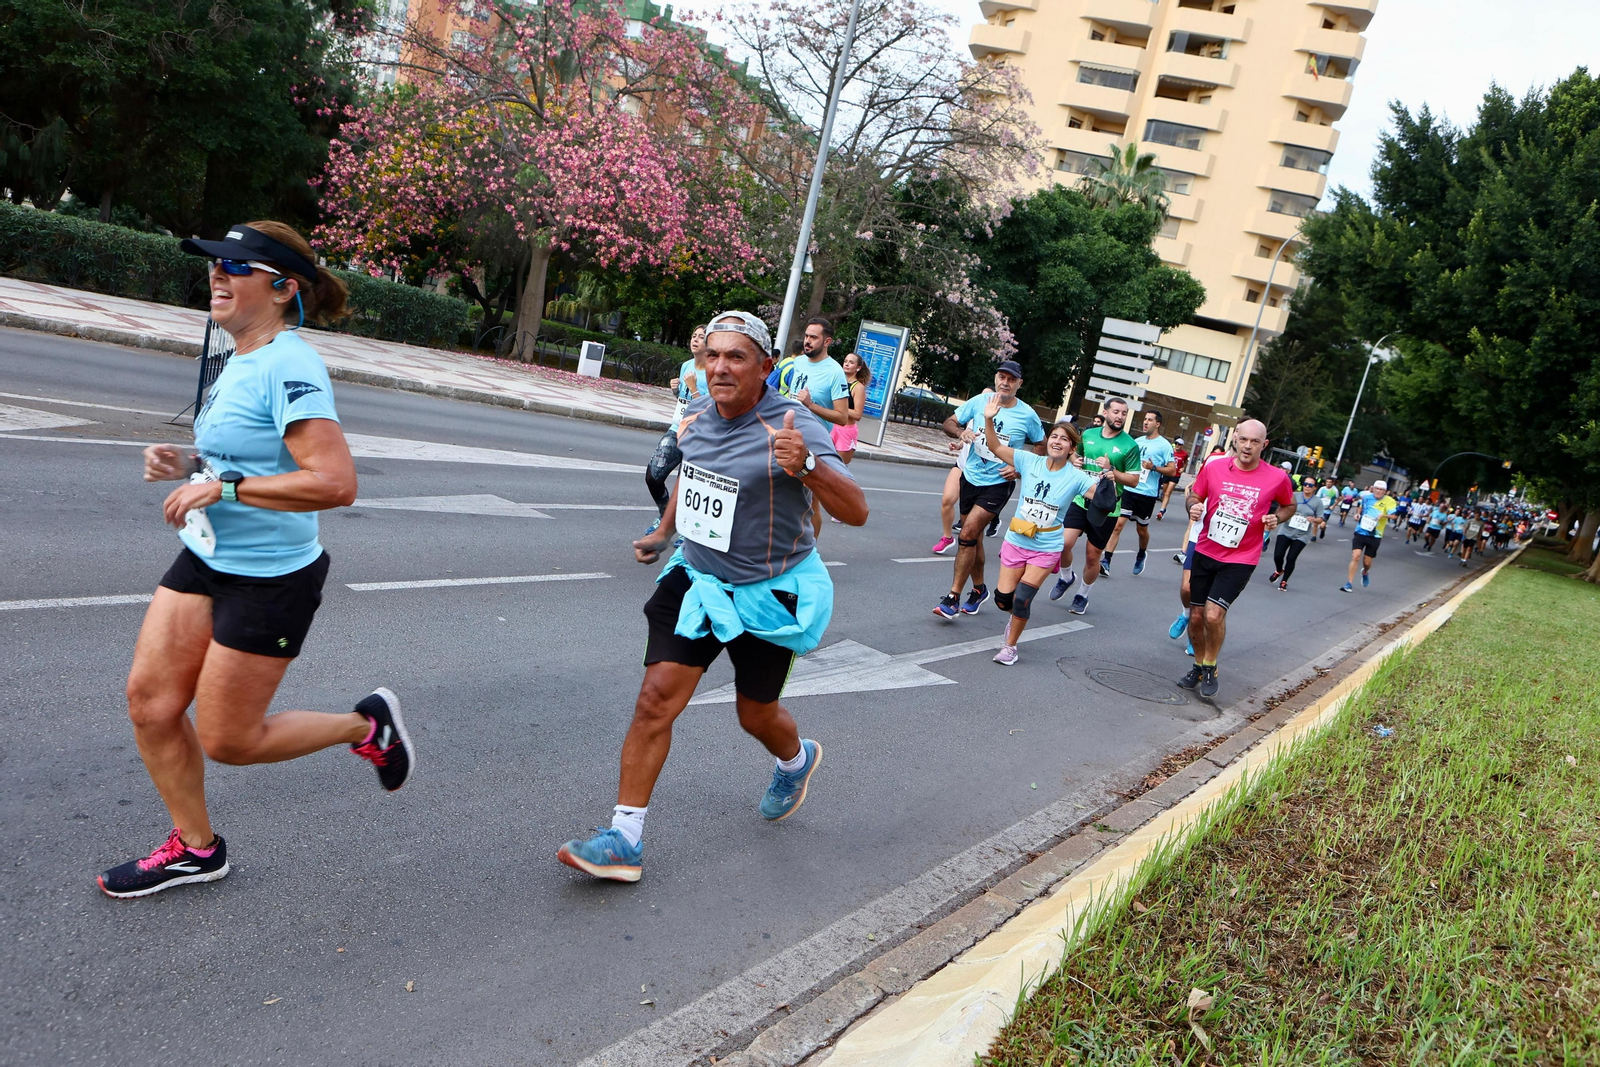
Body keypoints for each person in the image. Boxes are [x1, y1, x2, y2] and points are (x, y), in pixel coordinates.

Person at [98, 221, 414, 899]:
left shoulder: (290, 364)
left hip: (271, 578)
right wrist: (187, 463)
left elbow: (335, 482)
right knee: (150, 704)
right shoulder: (239, 354)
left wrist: (228, 486)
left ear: (280, 287)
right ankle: (195, 848)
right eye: (214, 265)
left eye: (234, 266)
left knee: (229, 739)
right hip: (209, 555)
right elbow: (242, 457)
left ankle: (367, 725)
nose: (217, 276)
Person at [557, 311, 868, 883]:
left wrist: (809, 466)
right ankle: (624, 838)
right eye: (713, 355)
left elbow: (856, 510)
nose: (720, 366)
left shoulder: (793, 422)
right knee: (654, 699)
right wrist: (665, 531)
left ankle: (794, 762)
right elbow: (692, 477)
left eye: (737, 357)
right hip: (699, 578)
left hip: (769, 591)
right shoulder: (697, 417)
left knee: (755, 714)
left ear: (766, 368)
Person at [1179, 419, 1294, 700]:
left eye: (1255, 442)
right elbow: (1195, 495)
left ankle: (1210, 666)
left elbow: (1289, 505)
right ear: (1235, 440)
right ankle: (1196, 665)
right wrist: (1193, 507)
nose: (1248, 446)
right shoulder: (1215, 467)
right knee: (1195, 616)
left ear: (1264, 445)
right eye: (1244, 440)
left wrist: (1276, 518)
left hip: (1242, 557)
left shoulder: (1277, 477)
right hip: (1206, 550)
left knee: (1213, 614)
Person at [979, 401, 1098, 665]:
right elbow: (996, 447)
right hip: (1016, 539)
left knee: (1022, 599)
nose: (1057, 441)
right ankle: (1018, 615)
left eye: (1064, 439)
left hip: (1046, 546)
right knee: (1003, 599)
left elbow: (1101, 499)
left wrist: (1109, 482)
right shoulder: (1028, 460)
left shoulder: (1077, 477)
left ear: (1072, 448)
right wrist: (989, 420)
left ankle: (1010, 646)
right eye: (1054, 436)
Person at [934, 362, 1043, 620]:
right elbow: (949, 422)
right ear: (996, 378)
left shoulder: (1027, 415)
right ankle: (980, 589)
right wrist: (962, 432)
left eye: (1011, 379)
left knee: (968, 533)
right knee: (975, 539)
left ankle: (952, 597)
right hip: (970, 477)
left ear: (1019, 384)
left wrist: (1017, 468)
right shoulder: (979, 401)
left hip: (998, 482)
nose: (1005, 382)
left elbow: (1041, 445)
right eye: (1001, 377)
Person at [1047, 397, 1143, 612]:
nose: (1120, 416)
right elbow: (1074, 457)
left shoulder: (1130, 445)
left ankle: (1082, 594)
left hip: (1106, 507)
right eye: (1116, 412)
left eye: (1124, 413)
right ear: (1106, 412)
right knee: (1062, 544)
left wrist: (1112, 471)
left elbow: (1134, 480)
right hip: (1081, 499)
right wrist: (1075, 461)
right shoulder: (1088, 435)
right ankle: (1066, 577)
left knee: (1092, 556)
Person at [780, 319, 853, 536]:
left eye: (814, 337)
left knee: (811, 505)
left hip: (814, 443)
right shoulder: (799, 362)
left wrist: (811, 405)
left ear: (827, 341)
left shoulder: (835, 372)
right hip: (789, 437)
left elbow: (842, 416)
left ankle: (810, 551)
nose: (808, 341)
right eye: (807, 336)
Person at [644, 325, 709, 528]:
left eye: (701, 337)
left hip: (700, 436)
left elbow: (713, 409)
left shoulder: (714, 372)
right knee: (653, 476)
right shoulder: (686, 366)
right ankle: (665, 514)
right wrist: (676, 390)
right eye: (693, 335)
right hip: (677, 429)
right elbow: (683, 400)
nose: (695, 340)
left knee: (689, 485)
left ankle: (686, 529)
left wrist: (693, 388)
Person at [1100, 409, 1176, 576]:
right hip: (1129, 489)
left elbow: (1172, 470)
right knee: (1118, 525)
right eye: (1145, 419)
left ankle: (1141, 553)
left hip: (1147, 494)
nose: (1145, 422)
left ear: (1158, 424)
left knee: (1141, 530)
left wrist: (1154, 467)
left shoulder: (1164, 445)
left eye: (1150, 420)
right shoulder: (1137, 442)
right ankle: (1106, 560)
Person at [824, 352, 870, 522]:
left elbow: (857, 414)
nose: (847, 364)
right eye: (845, 361)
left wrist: (840, 407)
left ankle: (845, 507)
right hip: (832, 427)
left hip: (846, 431)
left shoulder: (858, 387)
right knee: (824, 466)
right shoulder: (838, 380)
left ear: (858, 367)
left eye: (851, 362)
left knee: (840, 472)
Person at [1269, 476, 1325, 590]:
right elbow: (1283, 507)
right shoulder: (1294, 496)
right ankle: (1279, 570)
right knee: (1278, 555)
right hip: (1286, 530)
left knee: (1291, 558)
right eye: (1305, 484)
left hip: (1301, 535)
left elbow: (1321, 519)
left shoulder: (1317, 502)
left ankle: (1284, 581)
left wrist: (1314, 520)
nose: (1307, 487)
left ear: (1315, 488)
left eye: (1310, 485)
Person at [1341, 478, 1397, 592]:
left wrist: (1383, 516)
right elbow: (1360, 507)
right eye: (1377, 488)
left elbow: (1394, 516)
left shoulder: (1389, 501)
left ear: (1385, 491)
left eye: (1382, 490)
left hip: (1375, 534)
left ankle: (1365, 571)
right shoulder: (1366, 497)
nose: (1379, 491)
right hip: (1361, 530)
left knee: (1367, 562)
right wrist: (1357, 514)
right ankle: (1349, 583)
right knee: (1355, 556)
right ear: (1373, 488)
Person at [1158, 436, 1189, 519]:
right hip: (1167, 473)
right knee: (1164, 492)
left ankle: (1161, 510)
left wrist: (1183, 468)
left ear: (1182, 445)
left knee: (1168, 492)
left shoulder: (1184, 454)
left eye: (1179, 444)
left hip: (1176, 475)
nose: (1177, 445)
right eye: (1176, 443)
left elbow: (1185, 462)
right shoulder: (1170, 451)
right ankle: (1163, 508)